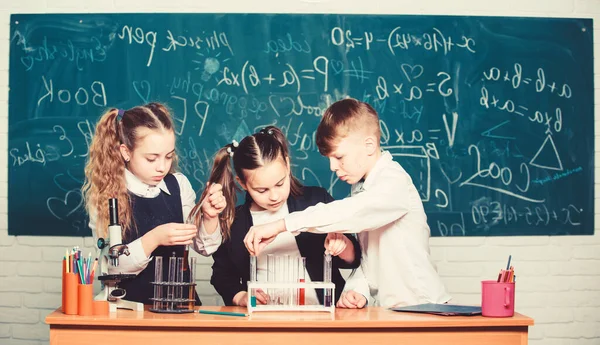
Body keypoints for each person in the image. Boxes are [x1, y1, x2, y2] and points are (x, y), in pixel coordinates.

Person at [243, 99, 451, 308]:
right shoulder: (361, 187)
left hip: (422, 307)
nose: (333, 166)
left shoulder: (393, 182)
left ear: (369, 145)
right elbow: (371, 256)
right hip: (390, 311)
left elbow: (350, 211)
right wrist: (357, 289)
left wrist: (281, 225)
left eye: (339, 157)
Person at [82, 103, 226, 305]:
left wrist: (210, 217)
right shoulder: (107, 196)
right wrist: (154, 238)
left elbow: (205, 247)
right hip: (130, 311)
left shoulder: (179, 185)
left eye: (168, 156)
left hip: (180, 307)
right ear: (125, 152)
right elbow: (112, 268)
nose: (162, 167)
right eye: (151, 159)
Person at [206, 126, 361, 306]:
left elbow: (355, 257)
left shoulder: (316, 202)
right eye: (262, 190)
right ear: (242, 183)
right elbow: (222, 275)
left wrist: (343, 246)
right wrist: (240, 296)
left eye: (280, 184)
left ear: (287, 166)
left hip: (322, 316)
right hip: (264, 321)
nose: (274, 196)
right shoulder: (236, 222)